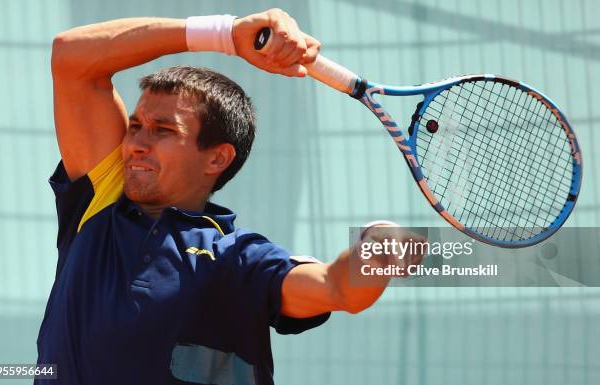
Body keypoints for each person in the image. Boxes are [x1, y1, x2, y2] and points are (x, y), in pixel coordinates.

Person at [37, 8, 423, 385]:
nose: (135, 143)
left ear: (217, 158)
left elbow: (337, 288)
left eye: (162, 130)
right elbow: (72, 56)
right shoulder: (102, 200)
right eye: (135, 126)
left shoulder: (238, 259)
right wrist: (226, 34)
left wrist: (378, 246)